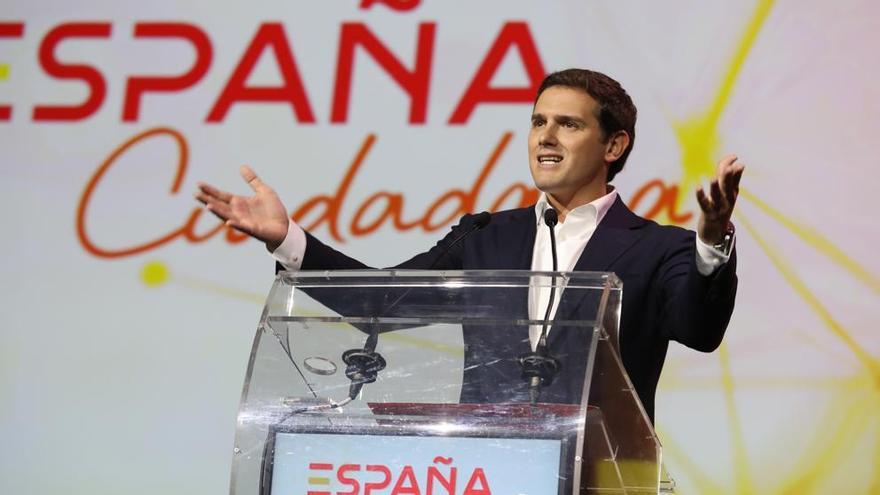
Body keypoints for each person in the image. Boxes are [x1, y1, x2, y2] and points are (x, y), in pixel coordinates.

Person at [196, 68, 743, 421]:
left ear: (614, 144)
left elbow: (699, 331)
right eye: (537, 121)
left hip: (601, 474)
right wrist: (288, 241)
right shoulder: (487, 238)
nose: (545, 137)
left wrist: (713, 242)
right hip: (490, 469)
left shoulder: (661, 248)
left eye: (568, 125)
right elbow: (378, 305)